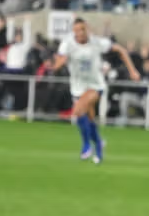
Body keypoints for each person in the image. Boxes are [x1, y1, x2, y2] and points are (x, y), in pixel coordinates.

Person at [52, 18, 140, 163]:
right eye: (76, 30)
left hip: (95, 85)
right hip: (77, 86)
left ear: (87, 28)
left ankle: (86, 146)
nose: (79, 33)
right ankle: (98, 146)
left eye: (82, 29)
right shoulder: (67, 43)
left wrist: (132, 70)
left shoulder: (96, 42)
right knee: (89, 117)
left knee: (79, 110)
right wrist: (58, 65)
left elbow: (120, 50)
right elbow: (58, 62)